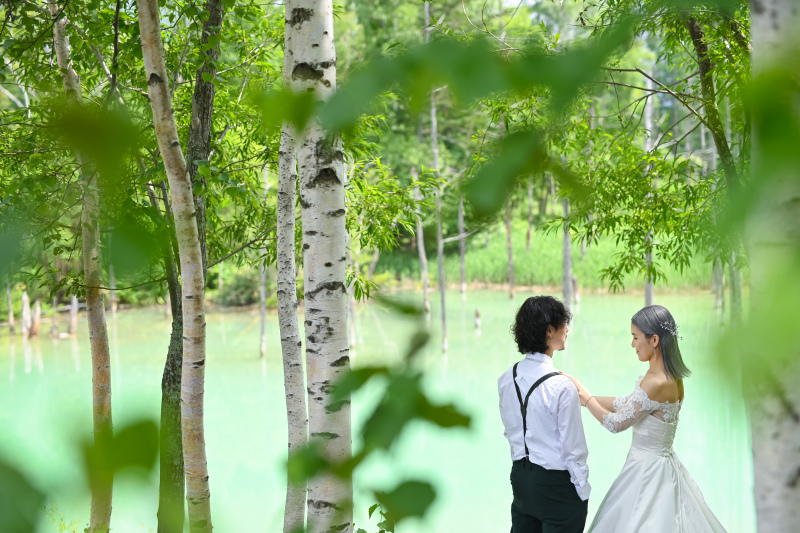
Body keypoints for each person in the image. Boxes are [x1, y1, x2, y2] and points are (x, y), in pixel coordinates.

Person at [567, 305, 727, 533]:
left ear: (654, 340)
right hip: (662, 462)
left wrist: (587, 397)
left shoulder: (656, 382)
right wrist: (584, 397)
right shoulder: (672, 377)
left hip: (646, 470)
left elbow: (617, 423)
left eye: (635, 337)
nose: (632, 344)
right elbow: (629, 404)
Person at [498, 295, 590, 533]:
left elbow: (511, 431)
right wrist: (582, 492)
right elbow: (574, 449)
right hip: (556, 487)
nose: (567, 329)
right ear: (550, 331)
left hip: (520, 479)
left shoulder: (506, 379)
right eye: (562, 325)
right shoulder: (562, 386)